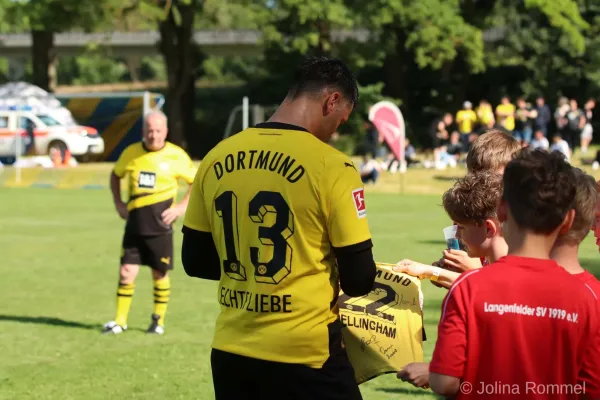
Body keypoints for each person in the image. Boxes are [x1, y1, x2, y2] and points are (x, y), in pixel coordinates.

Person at [181, 56, 377, 400]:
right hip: (306, 355)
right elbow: (359, 279)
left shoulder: (216, 157)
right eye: (340, 120)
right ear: (331, 100)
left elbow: (195, 261)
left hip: (232, 353)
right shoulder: (333, 167)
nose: (336, 131)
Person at [429, 150, 600, 399]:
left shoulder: (468, 288)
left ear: (501, 210)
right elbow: (590, 389)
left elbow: (444, 382)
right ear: (568, 220)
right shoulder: (586, 298)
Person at [103, 111, 197, 335]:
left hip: (160, 228)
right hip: (134, 226)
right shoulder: (131, 153)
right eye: (149, 131)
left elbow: (197, 182)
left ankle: (158, 321)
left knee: (159, 274)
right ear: (143, 131)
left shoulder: (177, 156)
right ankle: (120, 321)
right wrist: (119, 203)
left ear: (165, 131)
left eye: (157, 131)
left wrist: (181, 207)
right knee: (126, 272)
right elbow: (115, 175)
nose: (153, 135)